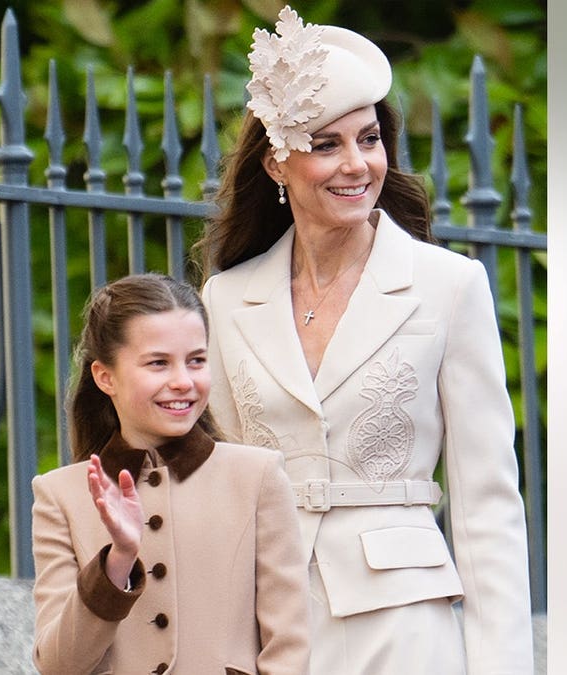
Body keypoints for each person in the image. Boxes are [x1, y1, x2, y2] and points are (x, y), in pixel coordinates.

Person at [196, 6, 534, 673]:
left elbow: (487, 509)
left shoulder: (450, 287)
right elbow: (224, 498)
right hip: (272, 631)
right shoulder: (227, 299)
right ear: (276, 165)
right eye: (327, 145)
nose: (357, 164)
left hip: (407, 631)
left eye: (370, 138)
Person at [29, 273, 310, 675]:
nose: (183, 381)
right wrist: (117, 562)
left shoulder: (258, 477)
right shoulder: (60, 495)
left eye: (196, 360)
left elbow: (289, 649)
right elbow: (59, 665)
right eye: (158, 363)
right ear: (104, 376)